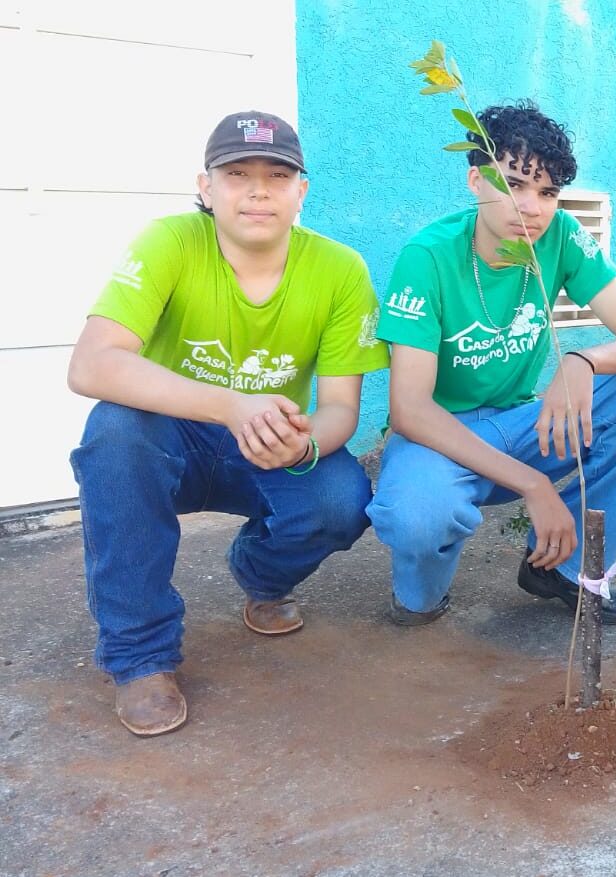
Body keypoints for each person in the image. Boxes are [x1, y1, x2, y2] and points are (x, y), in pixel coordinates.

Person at [68, 111, 389, 737]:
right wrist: (231, 405)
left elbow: (340, 410)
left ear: (302, 191)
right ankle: (140, 657)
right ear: (206, 186)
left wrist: (303, 445)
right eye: (237, 174)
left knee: (341, 498)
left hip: (267, 442)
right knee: (114, 433)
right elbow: (92, 364)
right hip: (173, 434)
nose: (258, 191)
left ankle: (261, 577)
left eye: (278, 176)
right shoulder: (170, 242)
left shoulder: (340, 269)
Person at [368, 102, 616, 627]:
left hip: (521, 426)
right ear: (476, 180)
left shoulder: (561, 235)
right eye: (514, 184)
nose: (531, 208)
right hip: (438, 439)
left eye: (547, 192)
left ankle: (566, 569)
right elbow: (409, 411)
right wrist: (533, 486)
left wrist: (582, 360)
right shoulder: (427, 257)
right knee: (418, 522)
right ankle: (424, 591)